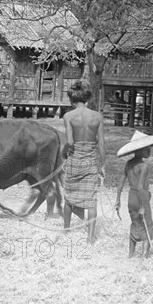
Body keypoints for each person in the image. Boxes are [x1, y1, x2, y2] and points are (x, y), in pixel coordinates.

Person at [62, 81, 105, 245]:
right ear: (87, 99)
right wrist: (102, 166)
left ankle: (66, 230)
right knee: (91, 200)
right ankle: (90, 238)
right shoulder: (97, 116)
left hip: (74, 160)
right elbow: (101, 144)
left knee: (69, 198)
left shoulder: (69, 116)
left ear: (72, 100)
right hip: (90, 161)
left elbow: (70, 142)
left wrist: (63, 154)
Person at [115, 130, 153, 258]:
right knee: (148, 225)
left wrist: (118, 199)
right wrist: (143, 205)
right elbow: (140, 187)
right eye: (146, 149)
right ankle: (144, 257)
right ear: (139, 150)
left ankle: (130, 254)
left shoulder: (129, 164)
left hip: (131, 198)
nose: (149, 151)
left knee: (135, 223)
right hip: (140, 197)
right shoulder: (143, 166)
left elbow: (121, 182)